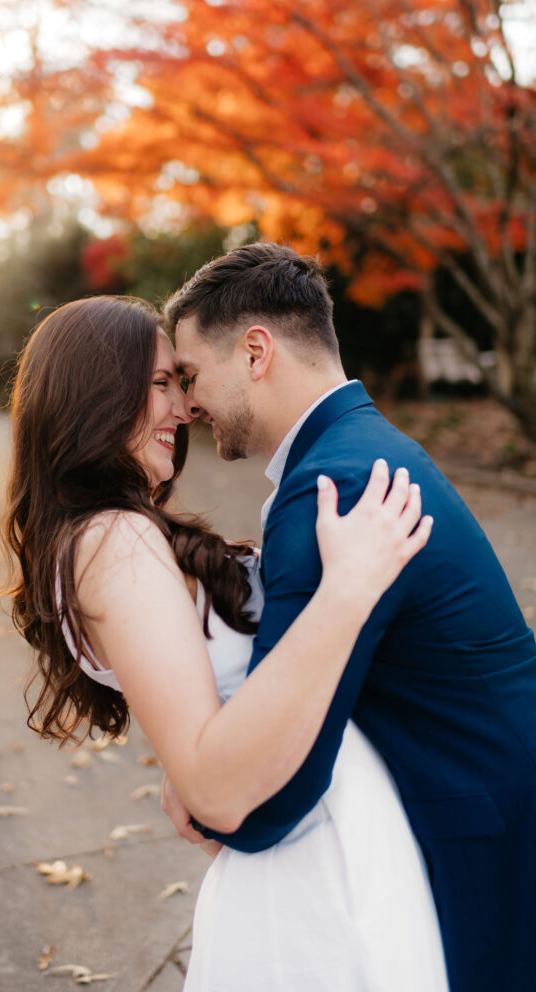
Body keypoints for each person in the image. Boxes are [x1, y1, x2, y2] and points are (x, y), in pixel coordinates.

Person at [0, 294, 447, 991]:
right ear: (93, 393)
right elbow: (213, 788)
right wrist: (347, 591)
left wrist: (181, 764)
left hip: (327, 822)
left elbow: (199, 717)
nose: (182, 410)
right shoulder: (110, 540)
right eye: (158, 384)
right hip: (309, 860)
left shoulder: (111, 533)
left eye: (180, 384)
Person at [164, 242, 536, 992]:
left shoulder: (330, 486)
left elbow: (282, 782)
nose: (186, 402)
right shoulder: (358, 447)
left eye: (192, 374)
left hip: (472, 815)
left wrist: (209, 805)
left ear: (256, 352)